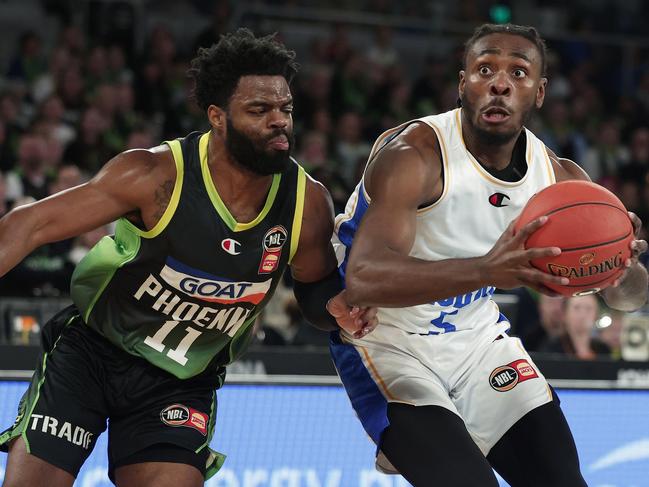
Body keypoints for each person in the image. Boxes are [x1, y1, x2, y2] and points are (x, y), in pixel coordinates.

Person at [0, 29, 376, 487]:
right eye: (259, 110)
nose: (279, 121)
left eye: (286, 109)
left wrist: (337, 309)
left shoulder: (307, 202)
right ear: (217, 117)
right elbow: (29, 225)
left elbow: (317, 292)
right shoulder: (154, 174)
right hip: (91, 354)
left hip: (181, 380)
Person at [331, 23, 648, 487]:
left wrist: (624, 263)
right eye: (485, 69)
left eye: (518, 73)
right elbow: (363, 279)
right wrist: (486, 270)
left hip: (478, 342)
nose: (500, 82)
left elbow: (625, 300)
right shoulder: (415, 154)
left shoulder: (561, 180)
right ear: (463, 84)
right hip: (387, 339)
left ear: (539, 93)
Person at [540, 295, 611, 359]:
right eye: (577, 308)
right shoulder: (552, 349)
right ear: (564, 314)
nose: (582, 315)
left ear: (596, 315)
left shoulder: (604, 350)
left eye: (588, 308)